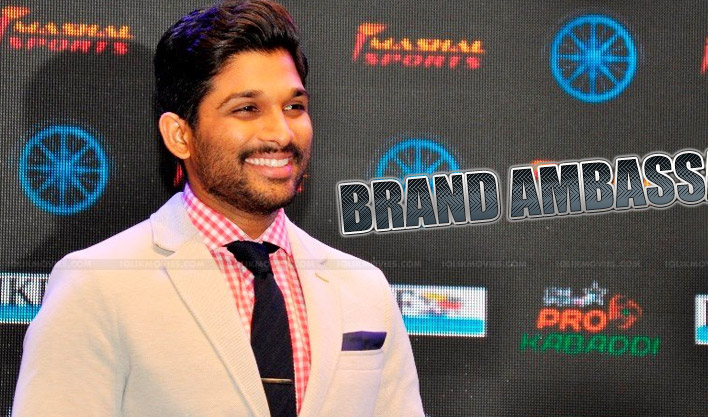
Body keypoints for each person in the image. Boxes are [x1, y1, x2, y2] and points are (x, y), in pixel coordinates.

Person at [12, 1, 424, 416]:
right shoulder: (96, 285)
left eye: (294, 107)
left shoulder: (363, 287)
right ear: (180, 135)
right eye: (247, 109)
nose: (281, 133)